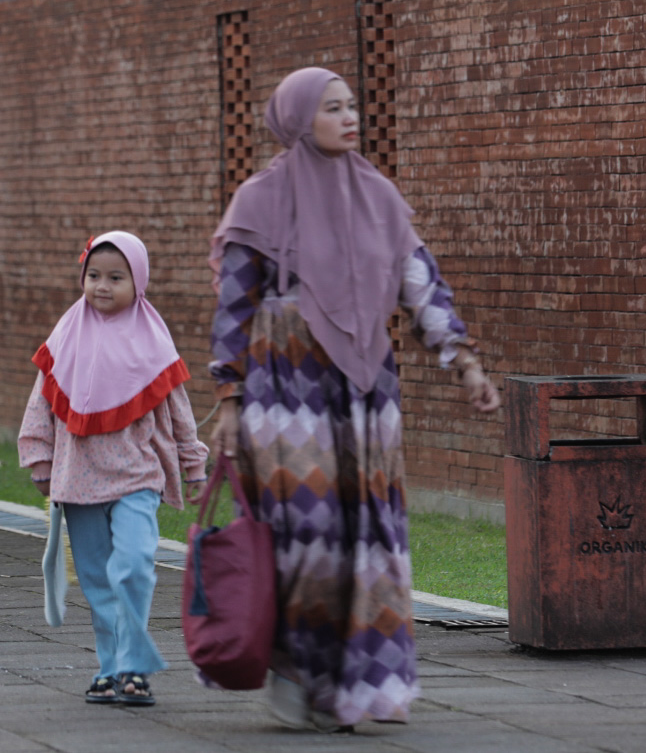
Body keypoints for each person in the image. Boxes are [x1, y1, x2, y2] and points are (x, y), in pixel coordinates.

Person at [207, 67, 500, 732]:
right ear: (297, 117)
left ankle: (360, 683)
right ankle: (296, 671)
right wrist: (227, 396)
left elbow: (421, 285)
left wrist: (465, 365)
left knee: (368, 538)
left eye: (351, 106)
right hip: (285, 390)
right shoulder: (259, 200)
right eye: (331, 108)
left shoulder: (378, 197)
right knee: (306, 533)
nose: (349, 118)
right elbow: (232, 307)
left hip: (364, 393)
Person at [18, 230, 208, 708]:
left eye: (116, 278)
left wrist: (193, 466)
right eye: (94, 276)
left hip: (137, 474)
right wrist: (39, 457)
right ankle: (113, 668)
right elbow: (41, 403)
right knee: (98, 578)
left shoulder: (153, 342)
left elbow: (180, 413)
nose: (102, 286)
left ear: (138, 282)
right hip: (78, 477)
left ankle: (134, 666)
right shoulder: (66, 334)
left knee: (134, 566)